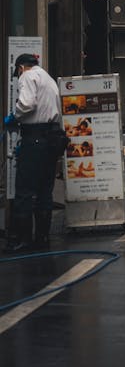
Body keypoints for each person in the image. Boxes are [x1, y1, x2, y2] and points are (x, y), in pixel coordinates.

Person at [3, 53, 64, 252]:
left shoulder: (27, 76)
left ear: (21, 67)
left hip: (35, 138)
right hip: (52, 138)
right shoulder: (48, 78)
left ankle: (22, 240)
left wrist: (15, 116)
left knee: (24, 190)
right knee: (44, 191)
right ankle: (42, 239)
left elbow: (27, 104)